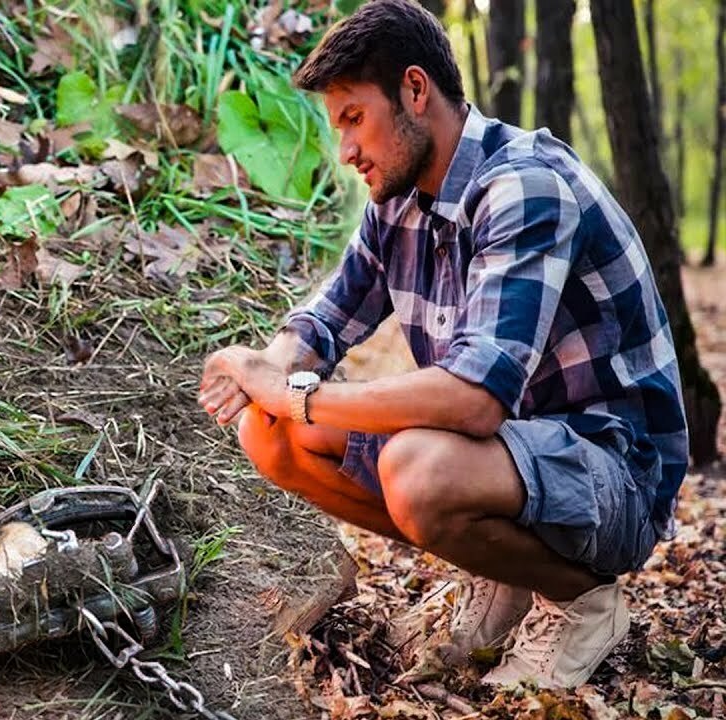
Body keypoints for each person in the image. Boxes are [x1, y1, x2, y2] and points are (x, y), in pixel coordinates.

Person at [198, 0, 688, 689]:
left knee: (417, 470)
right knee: (268, 433)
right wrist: (266, 369)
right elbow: (324, 321)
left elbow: (475, 401)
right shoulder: (397, 201)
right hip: (510, 460)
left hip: (613, 478)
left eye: (354, 118)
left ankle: (581, 600)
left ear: (414, 90)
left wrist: (297, 393)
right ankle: (503, 574)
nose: (345, 151)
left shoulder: (524, 187)